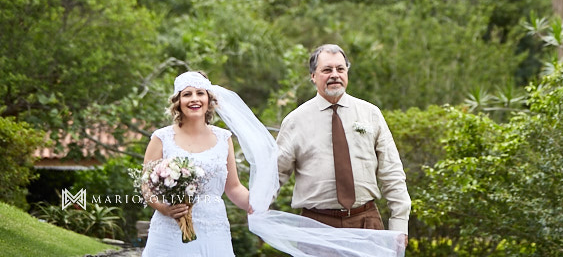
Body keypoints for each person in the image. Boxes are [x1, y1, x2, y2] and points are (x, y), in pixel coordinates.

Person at [277, 44, 411, 243]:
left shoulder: (370, 114)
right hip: (316, 227)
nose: (335, 75)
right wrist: (257, 207)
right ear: (313, 76)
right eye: (327, 70)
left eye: (340, 69)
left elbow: (392, 172)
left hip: (366, 223)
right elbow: (276, 174)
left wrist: (400, 225)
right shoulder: (295, 121)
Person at [141, 71, 253, 257]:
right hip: (169, 232)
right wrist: (164, 209)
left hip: (214, 231)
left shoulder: (224, 138)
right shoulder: (162, 138)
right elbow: (146, 186)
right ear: (178, 101)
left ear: (209, 99)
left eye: (200, 93)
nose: (194, 99)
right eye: (187, 94)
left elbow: (233, 188)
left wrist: (256, 202)